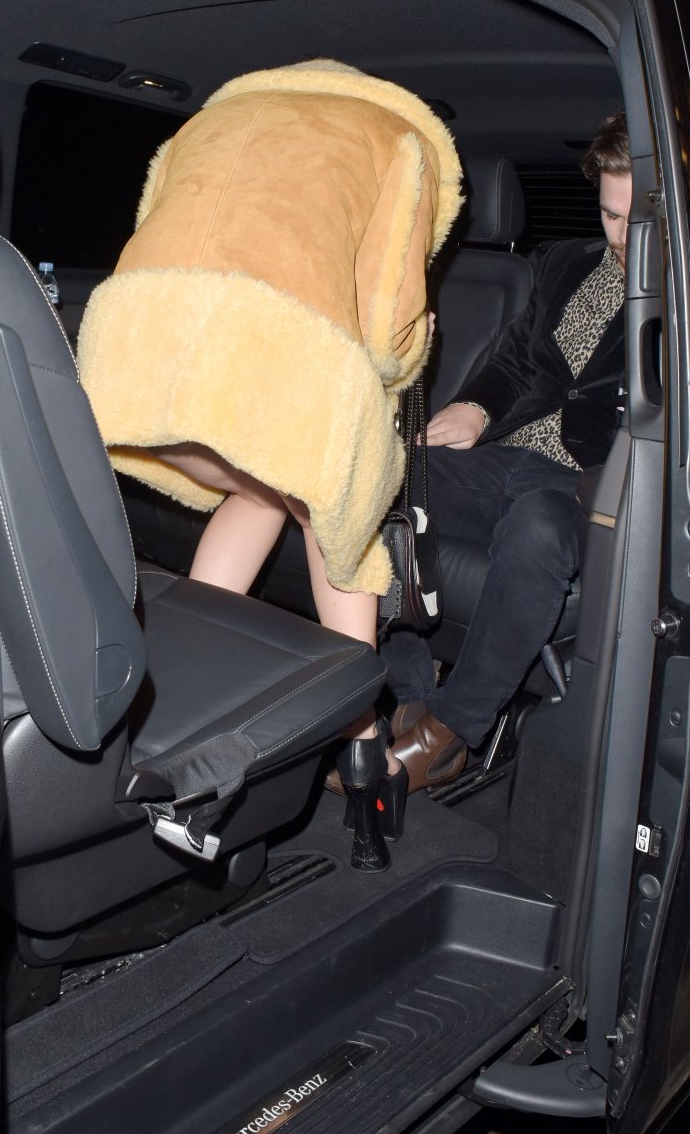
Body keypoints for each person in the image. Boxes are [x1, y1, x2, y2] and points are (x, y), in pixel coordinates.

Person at [77, 60, 463, 869]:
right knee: (339, 525)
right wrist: (406, 354)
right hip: (277, 347)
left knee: (258, 489)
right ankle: (364, 750)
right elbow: (388, 308)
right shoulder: (398, 142)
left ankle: (189, 698)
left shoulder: (211, 121)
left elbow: (152, 220)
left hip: (134, 340)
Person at [381, 112, 631, 791]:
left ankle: (449, 734)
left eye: (639, 221)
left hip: (585, 483)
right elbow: (517, 362)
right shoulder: (565, 262)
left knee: (538, 529)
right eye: (610, 215)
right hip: (505, 454)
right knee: (382, 479)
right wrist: (475, 408)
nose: (621, 237)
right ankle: (409, 694)